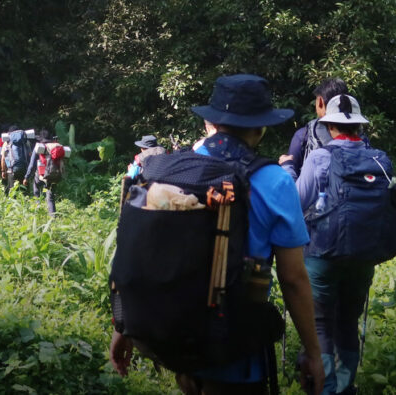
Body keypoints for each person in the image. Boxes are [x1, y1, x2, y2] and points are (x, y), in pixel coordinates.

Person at [110, 74, 324, 395]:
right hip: (234, 348)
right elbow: (293, 278)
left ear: (212, 124)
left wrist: (123, 326)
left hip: (179, 340)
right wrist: (314, 353)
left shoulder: (175, 169)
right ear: (260, 128)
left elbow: (142, 251)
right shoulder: (274, 180)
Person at [295, 94, 390, 395]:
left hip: (322, 253)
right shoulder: (379, 159)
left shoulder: (320, 157)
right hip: (364, 254)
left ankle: (326, 388)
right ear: (359, 128)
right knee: (348, 320)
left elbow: (297, 201)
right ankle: (345, 386)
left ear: (331, 127)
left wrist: (286, 170)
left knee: (321, 322)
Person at [278, 78, 349, 180]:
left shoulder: (304, 135)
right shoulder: (360, 137)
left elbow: (292, 189)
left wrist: (286, 164)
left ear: (320, 102)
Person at [23, 129, 58, 216]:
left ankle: (37, 211)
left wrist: (26, 177)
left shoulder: (38, 147)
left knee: (36, 191)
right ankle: (53, 217)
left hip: (41, 175)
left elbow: (31, 165)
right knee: (50, 198)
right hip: (53, 175)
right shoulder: (55, 147)